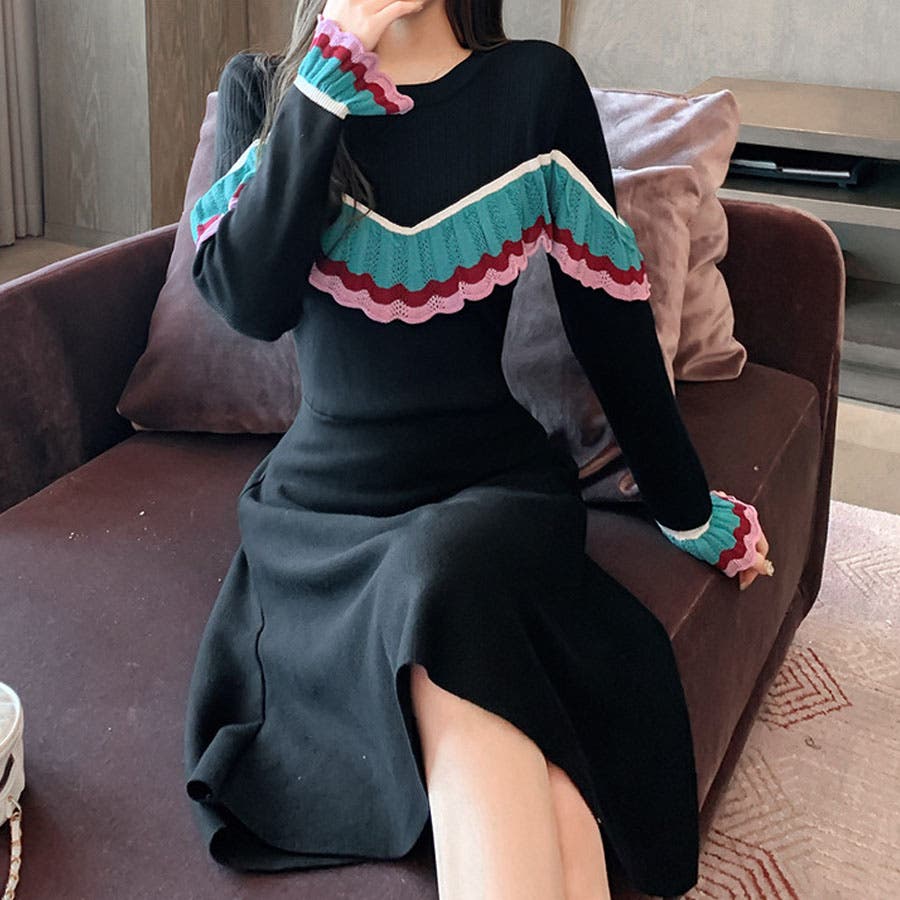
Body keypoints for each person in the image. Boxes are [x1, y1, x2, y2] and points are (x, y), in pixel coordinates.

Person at [183, 1, 775, 898]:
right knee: (549, 783)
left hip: (492, 492)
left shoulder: (534, 86)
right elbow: (249, 302)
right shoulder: (265, 90)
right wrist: (327, 79)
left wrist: (685, 507)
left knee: (447, 575)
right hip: (322, 524)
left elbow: (608, 324)